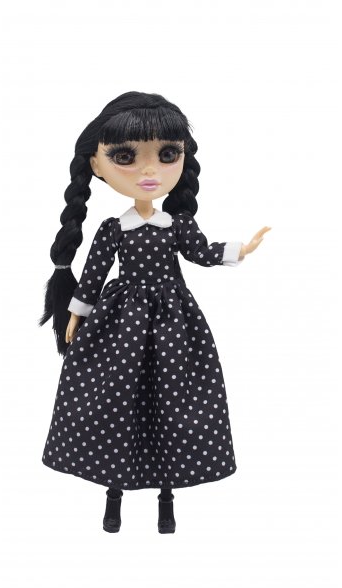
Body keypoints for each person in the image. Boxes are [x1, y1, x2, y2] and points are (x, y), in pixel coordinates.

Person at [39, 91, 271, 533]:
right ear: (96, 165)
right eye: (126, 157)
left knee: (172, 402)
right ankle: (114, 495)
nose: (150, 171)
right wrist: (76, 314)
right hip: (120, 324)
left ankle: (167, 498)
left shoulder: (176, 225)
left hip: (172, 325)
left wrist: (239, 249)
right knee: (117, 403)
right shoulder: (113, 229)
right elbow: (93, 275)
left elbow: (201, 252)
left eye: (167, 155)